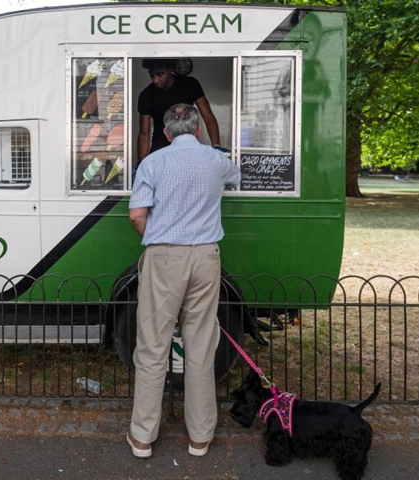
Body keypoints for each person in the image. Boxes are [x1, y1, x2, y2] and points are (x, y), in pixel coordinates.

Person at [126, 103, 241, 459]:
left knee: (152, 347)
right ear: (198, 131)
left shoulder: (152, 163)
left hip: (164, 256)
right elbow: (235, 178)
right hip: (206, 256)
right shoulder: (216, 161)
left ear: (164, 133)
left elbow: (136, 216)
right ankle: (200, 437)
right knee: (201, 346)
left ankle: (143, 437)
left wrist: (159, 238)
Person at [137, 59, 222, 162]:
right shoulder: (146, 95)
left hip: (188, 144)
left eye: (160, 74)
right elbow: (144, 133)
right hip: (160, 147)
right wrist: (140, 163)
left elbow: (208, 118)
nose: (155, 80)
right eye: (152, 75)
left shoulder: (190, 85)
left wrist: (217, 148)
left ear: (170, 70)